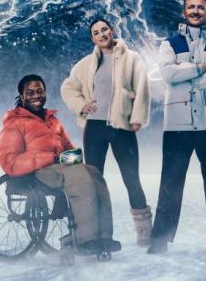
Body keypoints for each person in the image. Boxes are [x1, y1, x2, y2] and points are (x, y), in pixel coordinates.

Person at [147, 0, 206, 254]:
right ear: (184, 11)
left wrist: (186, 75)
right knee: (171, 181)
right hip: (178, 126)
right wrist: (200, 68)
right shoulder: (169, 43)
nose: (196, 11)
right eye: (191, 7)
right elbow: (167, 73)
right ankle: (159, 240)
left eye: (200, 7)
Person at [0, 74, 120, 253]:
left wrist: (72, 157)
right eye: (29, 92)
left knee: (93, 173)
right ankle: (86, 239)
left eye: (39, 91)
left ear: (45, 93)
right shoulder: (14, 123)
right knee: (78, 175)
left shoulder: (52, 121)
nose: (36, 96)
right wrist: (50, 158)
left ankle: (103, 236)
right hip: (36, 172)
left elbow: (68, 148)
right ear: (22, 96)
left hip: (58, 167)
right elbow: (10, 161)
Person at [60, 18, 152, 245]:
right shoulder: (86, 63)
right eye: (96, 33)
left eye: (104, 30)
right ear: (92, 38)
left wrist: (137, 117)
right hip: (95, 128)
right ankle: (93, 231)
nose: (101, 35)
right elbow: (68, 87)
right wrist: (82, 105)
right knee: (92, 181)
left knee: (131, 179)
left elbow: (142, 87)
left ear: (112, 31)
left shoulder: (132, 59)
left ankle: (145, 232)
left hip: (122, 128)